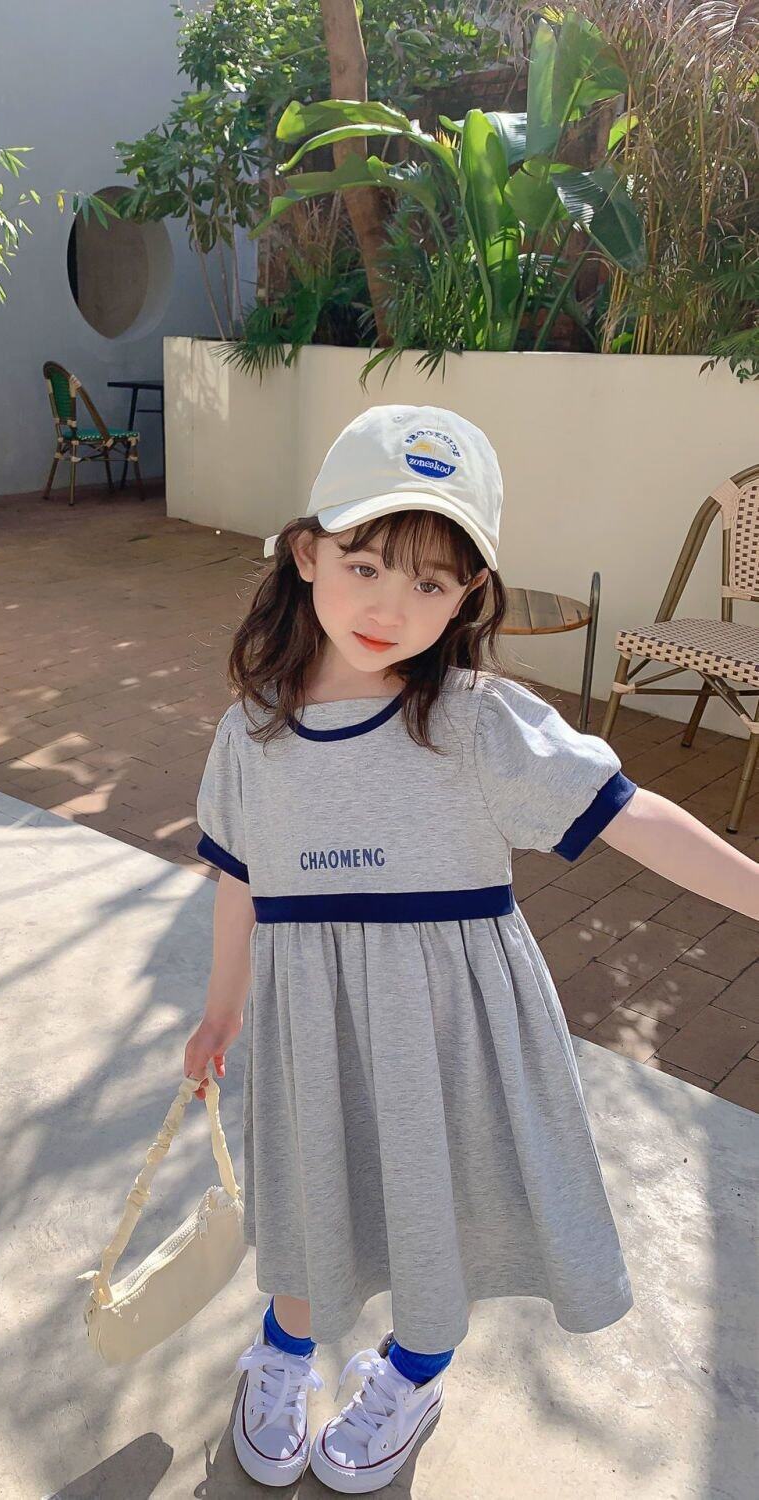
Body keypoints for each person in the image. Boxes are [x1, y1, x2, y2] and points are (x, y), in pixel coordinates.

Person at [182, 404, 759, 1494]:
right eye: (363, 564)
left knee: (433, 1209)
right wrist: (221, 1010)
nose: (389, 606)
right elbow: (239, 882)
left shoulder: (479, 722)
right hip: (312, 1032)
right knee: (309, 1192)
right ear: (306, 555)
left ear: (468, 597)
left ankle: (410, 1375)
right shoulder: (251, 730)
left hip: (447, 1037)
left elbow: (630, 814)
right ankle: (283, 1352)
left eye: (431, 583)